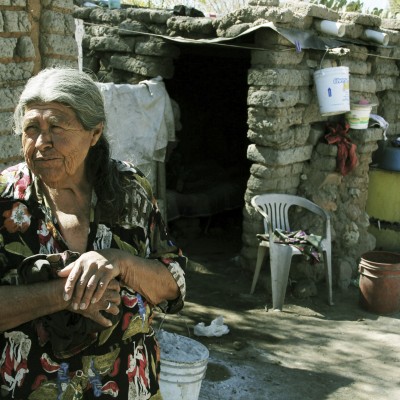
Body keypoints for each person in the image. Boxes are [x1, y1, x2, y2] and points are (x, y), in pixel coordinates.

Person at [0, 67, 187, 399]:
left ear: (95, 132)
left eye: (58, 126)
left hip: (128, 386)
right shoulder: (5, 199)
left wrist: (120, 262)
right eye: (32, 128)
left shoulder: (132, 191)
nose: (43, 142)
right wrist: (68, 294)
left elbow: (172, 286)